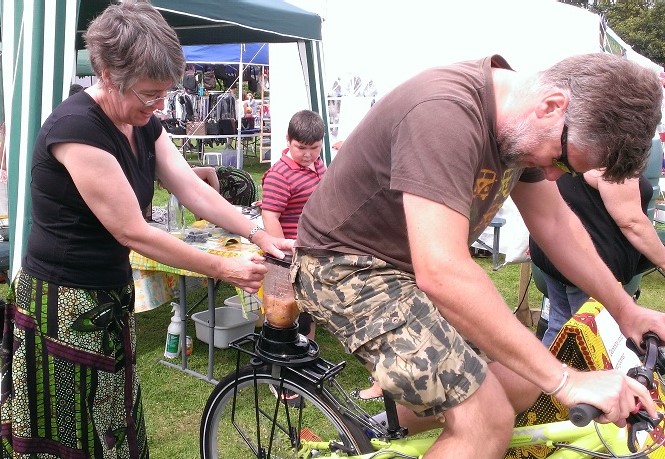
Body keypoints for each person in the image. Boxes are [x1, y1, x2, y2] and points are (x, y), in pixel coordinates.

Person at [292, 53, 665, 458]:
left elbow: (556, 225)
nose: (555, 175)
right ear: (553, 106)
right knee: (486, 422)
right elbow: (443, 271)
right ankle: (449, 429)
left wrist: (626, 312)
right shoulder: (445, 114)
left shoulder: (523, 123)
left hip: (410, 266)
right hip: (345, 266)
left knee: (524, 383)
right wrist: (568, 380)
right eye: (562, 160)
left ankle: (387, 430)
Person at [0, 2, 292, 458]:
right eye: (149, 94)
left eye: (164, 93)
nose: (159, 105)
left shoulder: (145, 124)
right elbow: (134, 232)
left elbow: (195, 193)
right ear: (107, 75)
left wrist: (256, 233)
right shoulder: (77, 130)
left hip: (109, 297)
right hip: (62, 302)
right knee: (67, 434)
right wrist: (223, 268)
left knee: (114, 423)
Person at [530, 169, 665, 347]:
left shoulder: (584, 145)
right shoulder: (616, 154)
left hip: (557, 253)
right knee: (597, 342)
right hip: (590, 264)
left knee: (560, 324)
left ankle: (545, 373)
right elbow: (632, 222)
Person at [261, 109, 326, 340]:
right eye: (301, 147)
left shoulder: (319, 165)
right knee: (286, 315)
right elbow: (269, 216)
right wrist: (283, 257)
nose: (308, 154)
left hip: (311, 250)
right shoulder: (280, 174)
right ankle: (287, 363)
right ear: (288, 140)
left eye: (314, 147)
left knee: (307, 310)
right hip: (291, 256)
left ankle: (307, 351)